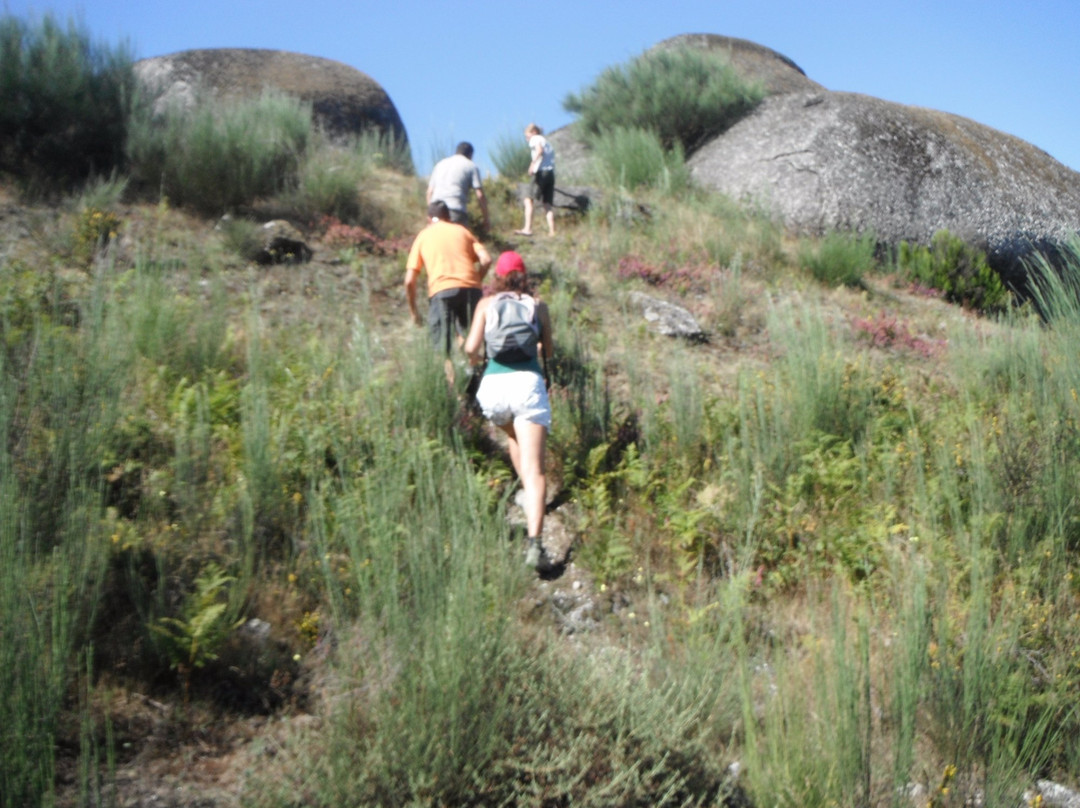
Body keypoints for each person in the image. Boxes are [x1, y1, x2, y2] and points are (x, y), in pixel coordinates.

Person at [464, 251, 556, 571]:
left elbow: (471, 350)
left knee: (515, 437)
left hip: (493, 391)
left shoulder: (485, 305)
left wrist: (476, 354)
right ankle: (535, 546)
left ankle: (525, 495)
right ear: (524, 274)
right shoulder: (537, 305)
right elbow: (549, 349)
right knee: (537, 470)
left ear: (498, 277)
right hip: (527, 386)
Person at [405, 200, 492, 380]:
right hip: (472, 290)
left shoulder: (423, 236)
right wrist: (476, 280)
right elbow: (486, 260)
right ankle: (478, 381)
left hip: (442, 291)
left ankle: (457, 396)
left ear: (428, 219)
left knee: (442, 350)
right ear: (449, 217)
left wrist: (414, 312)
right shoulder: (463, 231)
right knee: (470, 341)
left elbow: (409, 281)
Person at [427, 141, 490, 232]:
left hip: (435, 210)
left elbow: (429, 192)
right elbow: (480, 195)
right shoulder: (471, 166)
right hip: (455, 210)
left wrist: (431, 211)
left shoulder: (440, 164)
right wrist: (486, 219)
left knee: (434, 240)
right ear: (470, 155)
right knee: (457, 241)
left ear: (456, 151)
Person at [515, 123, 556, 237]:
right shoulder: (547, 142)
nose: (527, 140)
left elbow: (539, 150)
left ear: (533, 132)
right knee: (547, 203)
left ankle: (527, 228)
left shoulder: (536, 138)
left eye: (527, 136)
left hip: (541, 172)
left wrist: (532, 164)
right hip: (550, 173)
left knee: (528, 199)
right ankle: (552, 231)